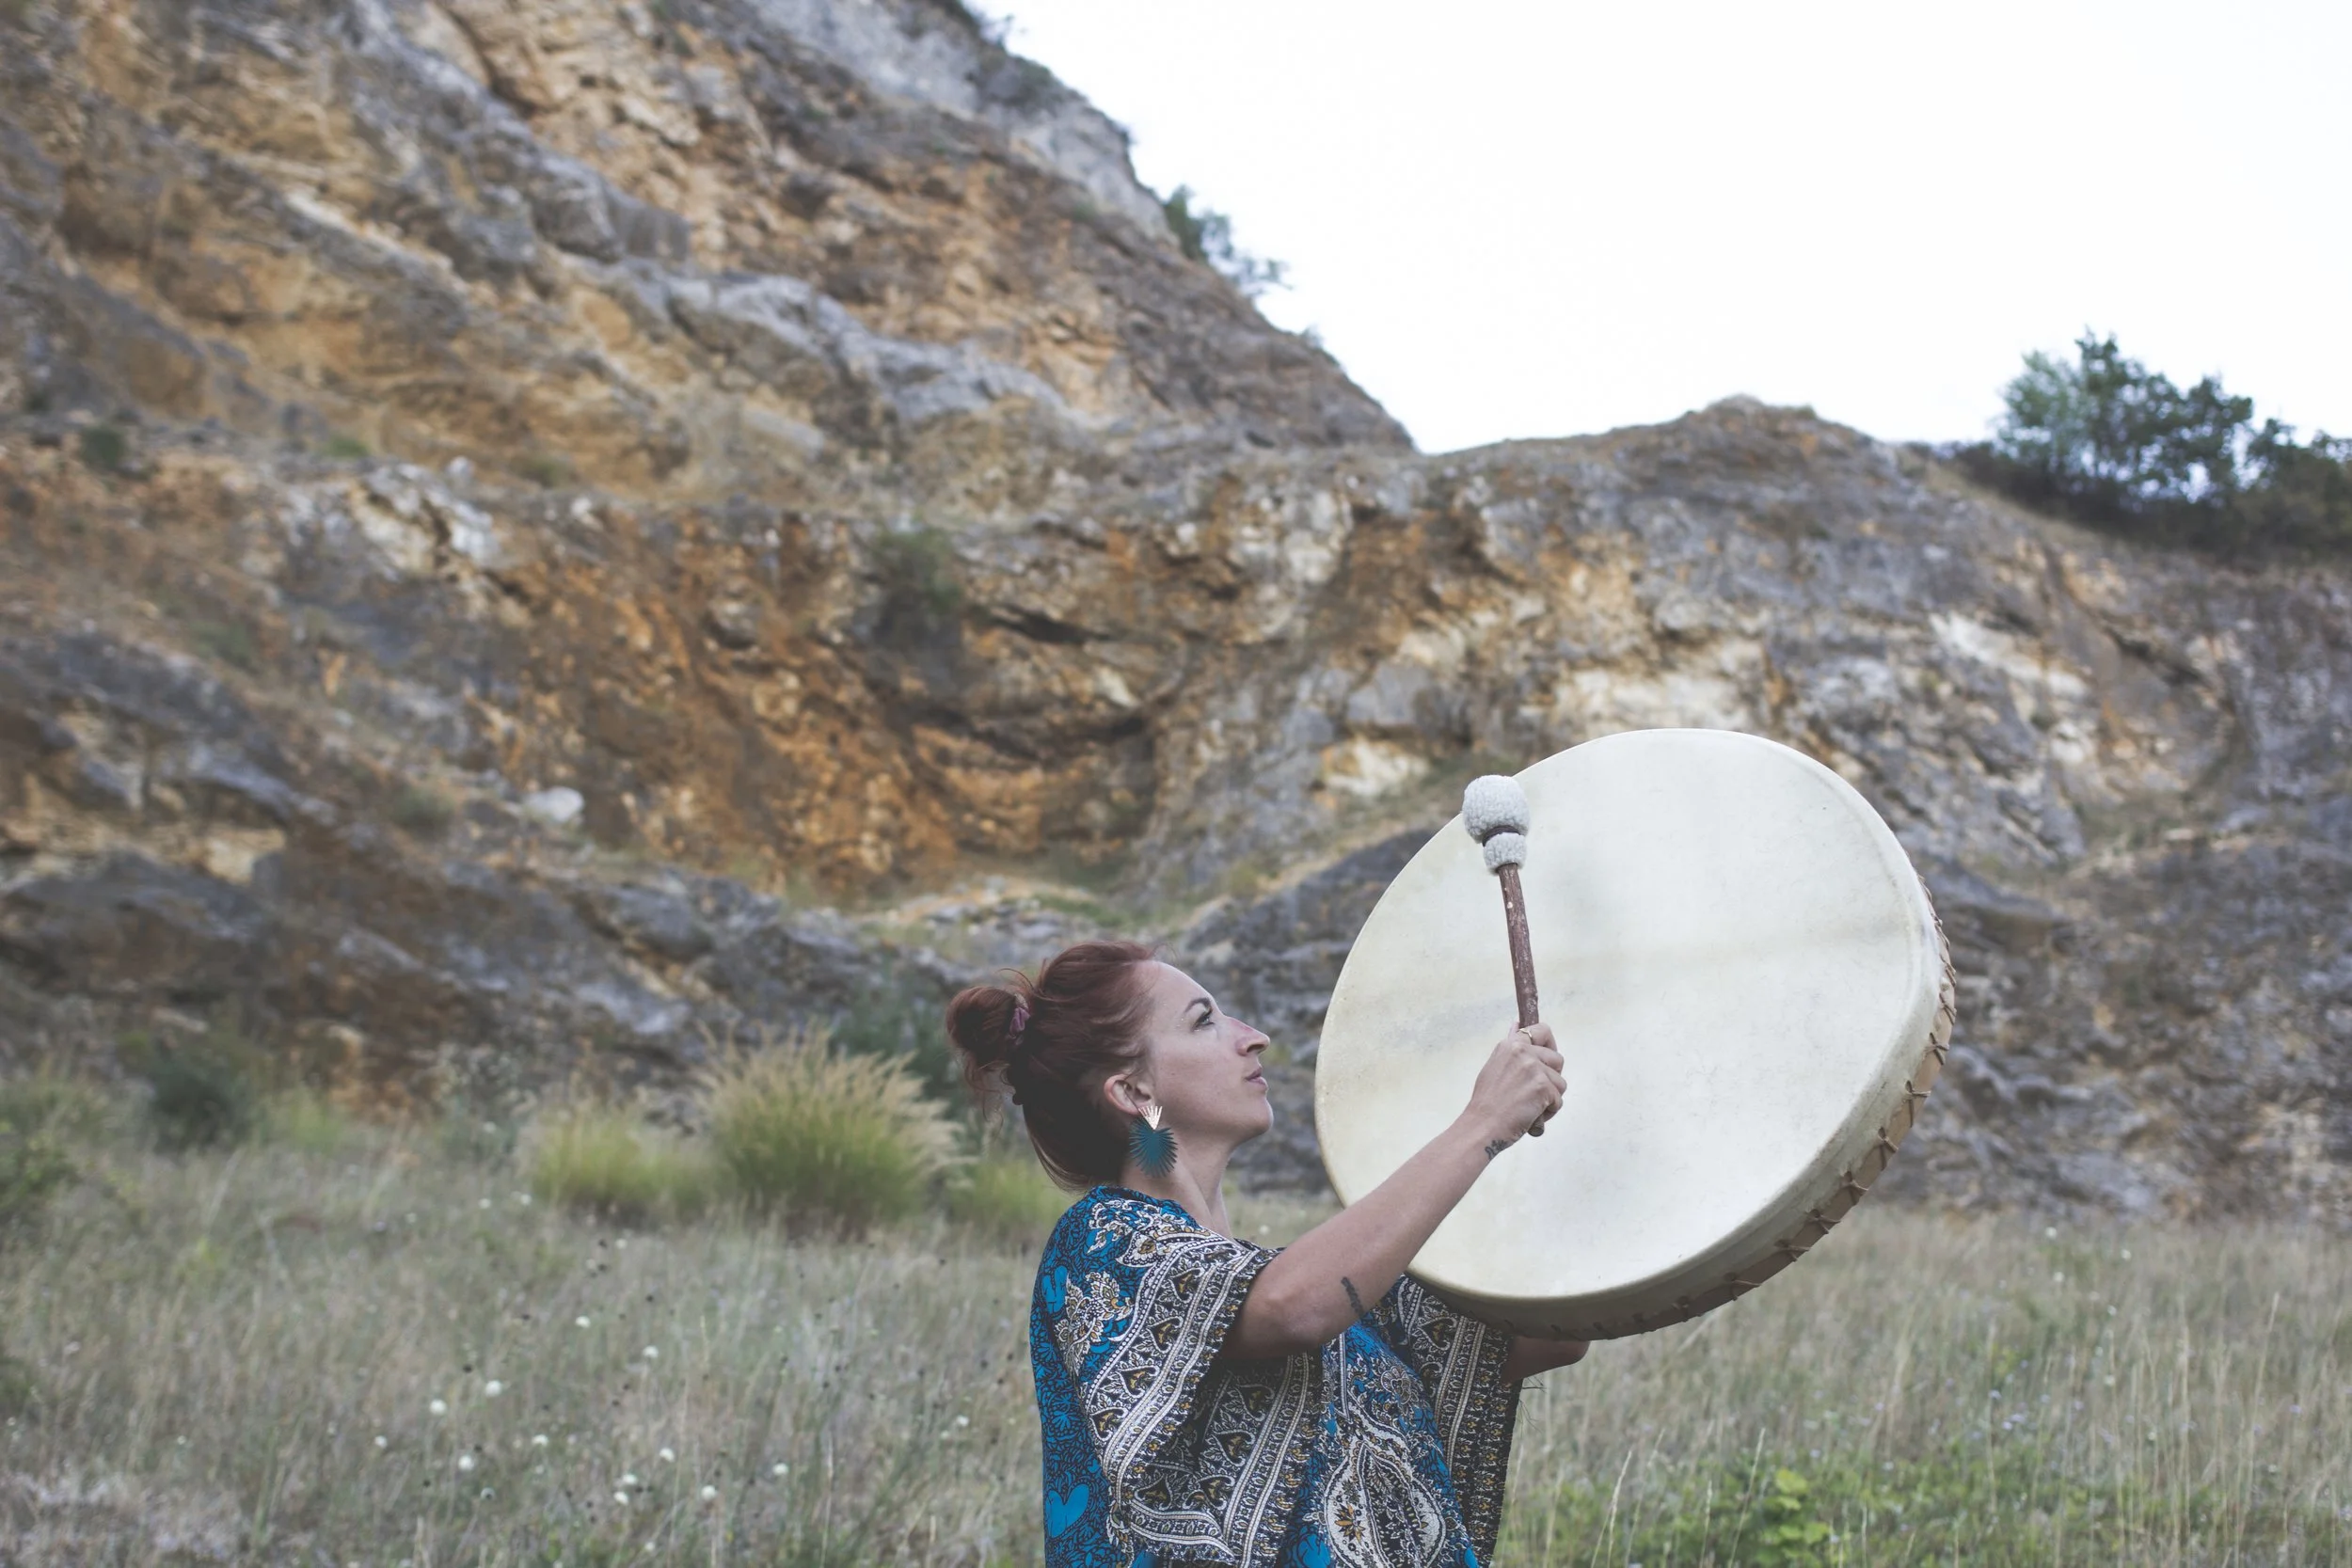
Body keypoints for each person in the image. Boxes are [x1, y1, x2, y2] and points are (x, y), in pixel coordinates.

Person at [946, 939, 1588, 1568]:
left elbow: (1550, 1329)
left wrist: (1545, 1119)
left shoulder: (1342, 1308)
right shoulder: (1100, 1244)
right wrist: (1480, 1121)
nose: (1253, 1036)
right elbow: (1290, 1306)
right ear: (1134, 1092)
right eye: (1205, 1021)